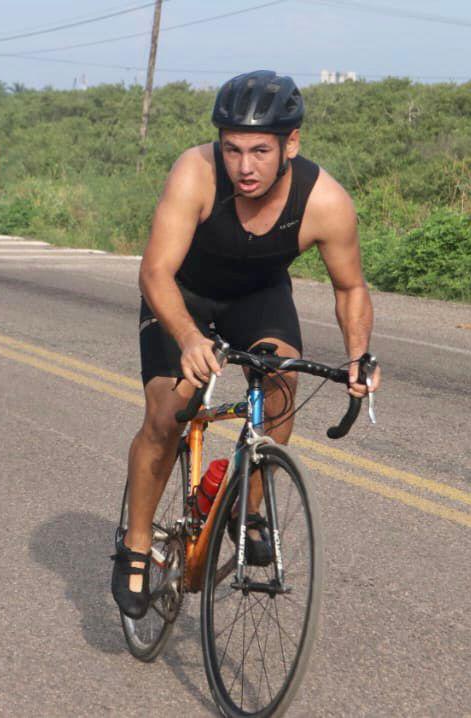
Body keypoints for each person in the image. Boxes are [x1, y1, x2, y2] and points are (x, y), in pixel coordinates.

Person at [112, 70, 383, 619]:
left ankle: (249, 510)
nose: (245, 166)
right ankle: (135, 546)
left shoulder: (324, 201)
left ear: (292, 143)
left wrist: (358, 356)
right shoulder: (195, 173)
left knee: (283, 379)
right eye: (232, 149)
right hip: (181, 295)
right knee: (168, 416)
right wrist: (188, 337)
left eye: (260, 150)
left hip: (258, 297)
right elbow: (155, 272)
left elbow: (351, 287)